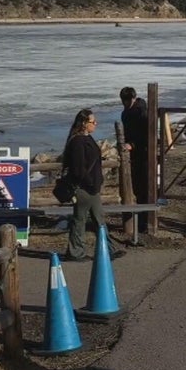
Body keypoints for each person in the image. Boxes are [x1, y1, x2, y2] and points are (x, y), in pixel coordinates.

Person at [63, 108, 124, 262]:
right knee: (80, 220)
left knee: (99, 220)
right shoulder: (77, 142)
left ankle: (108, 250)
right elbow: (78, 169)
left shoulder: (87, 138)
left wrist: (96, 182)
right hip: (84, 188)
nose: (95, 124)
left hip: (92, 187)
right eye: (92, 121)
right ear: (84, 123)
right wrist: (90, 182)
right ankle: (76, 252)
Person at [119, 87, 150, 235]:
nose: (125, 103)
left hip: (143, 154)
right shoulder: (126, 113)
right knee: (138, 188)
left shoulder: (142, 113)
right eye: (124, 101)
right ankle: (141, 220)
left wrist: (133, 144)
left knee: (144, 188)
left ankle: (144, 222)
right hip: (135, 155)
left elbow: (146, 135)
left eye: (127, 100)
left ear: (133, 98)